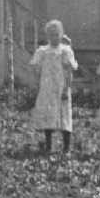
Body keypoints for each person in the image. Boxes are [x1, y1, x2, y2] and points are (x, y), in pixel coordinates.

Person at [30, 20, 78, 153]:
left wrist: (66, 88)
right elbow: (36, 69)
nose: (54, 37)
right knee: (48, 114)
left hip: (61, 87)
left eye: (56, 34)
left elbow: (69, 72)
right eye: (51, 34)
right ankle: (48, 145)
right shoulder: (43, 51)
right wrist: (37, 84)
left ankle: (66, 147)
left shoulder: (65, 51)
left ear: (61, 34)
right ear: (47, 36)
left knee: (64, 115)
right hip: (47, 87)